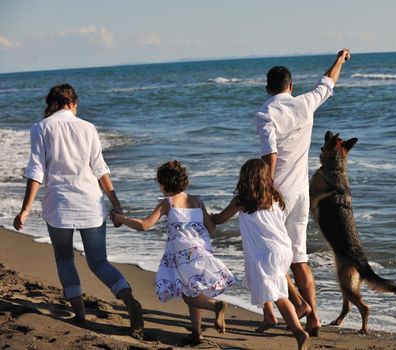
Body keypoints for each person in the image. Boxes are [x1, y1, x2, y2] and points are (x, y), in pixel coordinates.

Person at [13, 83, 144, 338]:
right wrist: (115, 202)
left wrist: (25, 209)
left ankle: (81, 315)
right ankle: (130, 301)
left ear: (52, 104)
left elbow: (36, 171)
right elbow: (100, 168)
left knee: (64, 259)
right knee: (98, 261)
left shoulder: (40, 128)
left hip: (59, 205)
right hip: (90, 203)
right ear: (73, 103)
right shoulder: (88, 127)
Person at [254, 48, 351, 335]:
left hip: (277, 194)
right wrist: (340, 59)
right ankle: (314, 318)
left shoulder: (264, 113)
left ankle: (293, 308)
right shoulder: (304, 104)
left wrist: (265, 189)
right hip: (301, 194)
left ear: (268, 88)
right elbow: (328, 82)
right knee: (299, 258)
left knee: (270, 254)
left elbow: (269, 155)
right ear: (291, 86)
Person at [111, 160, 235, 346]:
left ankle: (215, 306)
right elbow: (211, 229)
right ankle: (196, 333)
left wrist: (121, 218)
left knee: (188, 293)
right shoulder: (197, 200)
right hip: (201, 249)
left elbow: (145, 225)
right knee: (193, 289)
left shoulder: (167, 203)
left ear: (163, 185)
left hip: (181, 254)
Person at [211, 158, 309, 350]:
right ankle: (269, 317)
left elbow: (221, 219)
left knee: (279, 294)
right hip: (282, 249)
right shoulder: (275, 197)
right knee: (264, 283)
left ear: (245, 178)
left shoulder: (242, 200)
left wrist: (206, 216)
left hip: (265, 253)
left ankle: (299, 332)